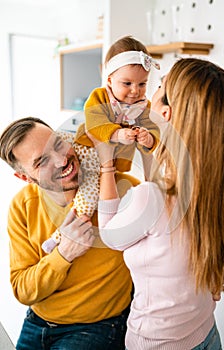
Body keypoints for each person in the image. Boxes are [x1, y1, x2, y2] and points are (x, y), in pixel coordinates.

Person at [93, 58, 224, 349]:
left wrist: (106, 163)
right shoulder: (221, 187)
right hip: (206, 331)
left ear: (165, 114)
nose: (143, 94)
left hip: (158, 342)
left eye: (156, 87)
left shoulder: (151, 198)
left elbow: (107, 234)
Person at [0, 116, 140, 350]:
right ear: (25, 178)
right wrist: (63, 253)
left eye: (57, 144)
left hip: (97, 326)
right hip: (36, 322)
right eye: (42, 161)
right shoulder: (23, 205)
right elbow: (23, 289)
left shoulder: (123, 191)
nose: (61, 159)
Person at [76, 35, 160, 179]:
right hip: (87, 157)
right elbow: (94, 124)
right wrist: (118, 134)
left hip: (116, 167)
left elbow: (153, 128)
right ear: (110, 80)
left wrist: (148, 138)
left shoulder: (143, 106)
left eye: (142, 84)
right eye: (127, 84)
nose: (135, 91)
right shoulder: (100, 97)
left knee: (124, 190)